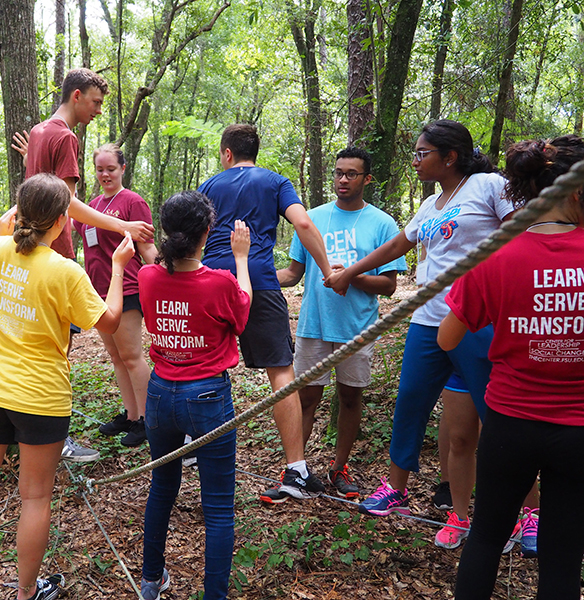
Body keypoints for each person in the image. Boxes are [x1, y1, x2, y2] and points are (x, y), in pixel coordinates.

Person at [0, 173, 135, 600]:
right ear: (63, 221)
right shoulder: (65, 271)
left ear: (19, 210)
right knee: (35, 498)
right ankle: (26, 593)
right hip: (41, 399)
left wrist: (0, 236)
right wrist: (117, 269)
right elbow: (111, 322)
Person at [326, 120, 513, 548]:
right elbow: (396, 247)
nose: (415, 160)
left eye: (422, 152)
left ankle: (523, 511)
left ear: (449, 156)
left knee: (494, 417)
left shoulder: (487, 185)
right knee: (409, 403)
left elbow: (519, 233)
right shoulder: (431, 203)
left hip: (476, 321)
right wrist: (350, 272)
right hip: (427, 320)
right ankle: (396, 489)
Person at [441, 135, 584, 599]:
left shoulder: (495, 256)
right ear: (577, 191)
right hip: (578, 429)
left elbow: (447, 337)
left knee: (485, 539)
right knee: (564, 554)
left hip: (510, 422)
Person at [19, 67, 154, 462]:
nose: (98, 110)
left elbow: (38, 189)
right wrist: (121, 223)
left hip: (37, 252)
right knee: (55, 350)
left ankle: (136, 419)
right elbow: (67, 203)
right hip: (55, 255)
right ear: (76, 96)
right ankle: (50, 438)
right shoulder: (63, 136)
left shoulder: (41, 132)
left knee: (48, 345)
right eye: (95, 102)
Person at [197, 123, 333, 504]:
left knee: (205, 364)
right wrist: (326, 270)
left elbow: (194, 231)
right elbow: (303, 223)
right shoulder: (275, 182)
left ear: (227, 153)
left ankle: (194, 443)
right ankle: (296, 469)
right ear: (254, 150)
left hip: (211, 281)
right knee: (281, 371)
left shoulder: (209, 187)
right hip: (258, 281)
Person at [138, 190, 252, 600]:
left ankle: (151, 580)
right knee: (219, 506)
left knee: (162, 485)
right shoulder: (220, 282)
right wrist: (241, 257)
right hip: (207, 396)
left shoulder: (147, 275)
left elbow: (157, 267)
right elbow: (242, 315)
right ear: (208, 231)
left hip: (159, 394)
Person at [276, 147, 406, 499]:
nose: (343, 179)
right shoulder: (312, 218)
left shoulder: (382, 223)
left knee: (350, 397)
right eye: (338, 173)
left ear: (366, 179)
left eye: (351, 174)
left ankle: (339, 467)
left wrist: (351, 276)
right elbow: (293, 273)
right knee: (306, 398)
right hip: (314, 325)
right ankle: (296, 470)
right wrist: (252, 279)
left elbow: (390, 286)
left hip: (356, 328)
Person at [72, 144, 157, 447]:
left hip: (128, 288)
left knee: (132, 356)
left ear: (122, 168)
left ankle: (150, 420)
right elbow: (65, 213)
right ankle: (131, 415)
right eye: (100, 169)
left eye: (111, 168)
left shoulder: (133, 202)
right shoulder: (91, 206)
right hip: (97, 291)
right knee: (116, 357)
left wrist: (164, 280)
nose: (105, 174)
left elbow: (148, 248)